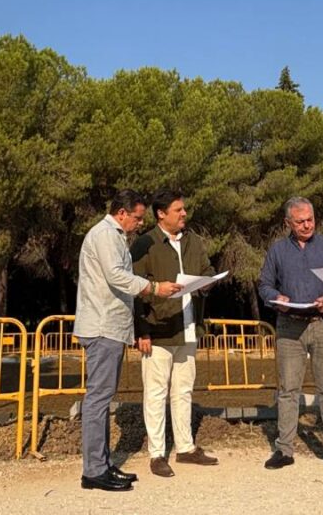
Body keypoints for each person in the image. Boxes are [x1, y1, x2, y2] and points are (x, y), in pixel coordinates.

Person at [74, 189, 181, 492]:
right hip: (102, 326)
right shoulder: (106, 235)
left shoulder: (113, 236)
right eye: (137, 218)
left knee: (102, 398)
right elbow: (117, 276)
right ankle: (94, 470)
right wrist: (154, 287)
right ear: (121, 213)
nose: (139, 223)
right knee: (97, 400)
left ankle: (102, 464)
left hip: (110, 327)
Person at [258, 197, 323, 473]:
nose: (307, 225)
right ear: (287, 223)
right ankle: (284, 449)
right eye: (300, 221)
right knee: (288, 390)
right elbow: (264, 284)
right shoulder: (278, 250)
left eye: (310, 219)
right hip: (289, 326)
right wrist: (274, 298)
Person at [131, 189, 219, 478]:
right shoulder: (145, 243)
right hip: (157, 330)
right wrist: (141, 330)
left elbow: (207, 269)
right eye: (178, 210)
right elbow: (134, 287)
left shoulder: (193, 240)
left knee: (183, 390)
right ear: (161, 214)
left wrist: (208, 282)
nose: (184, 214)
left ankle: (185, 448)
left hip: (188, 327)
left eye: (184, 209)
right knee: (156, 393)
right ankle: (157, 454)